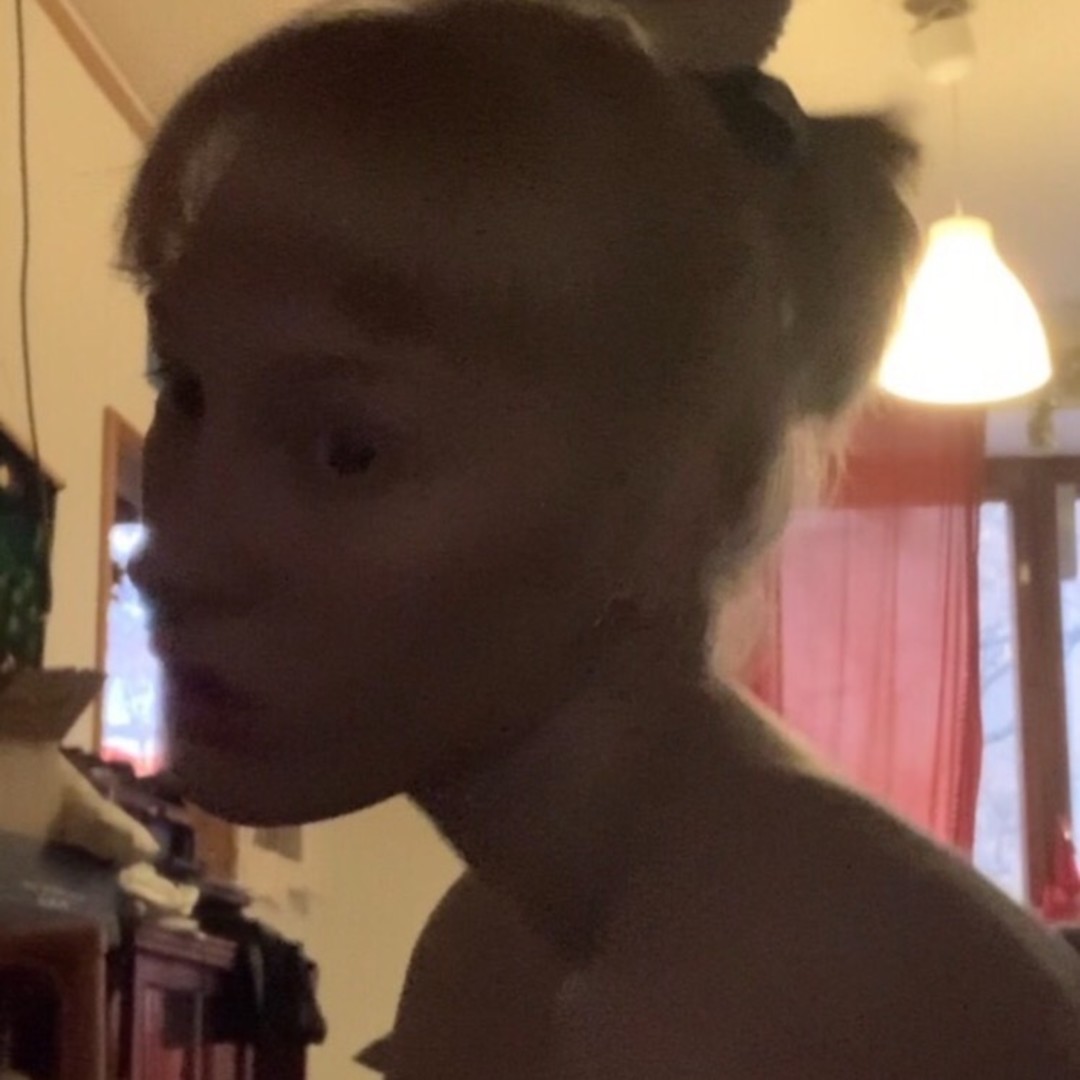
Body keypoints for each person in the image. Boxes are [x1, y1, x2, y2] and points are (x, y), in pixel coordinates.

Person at [123, 1, 1080, 1076]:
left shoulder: (795, 992)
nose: (175, 558)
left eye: (349, 450)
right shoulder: (497, 944)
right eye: (184, 388)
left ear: (665, 501)